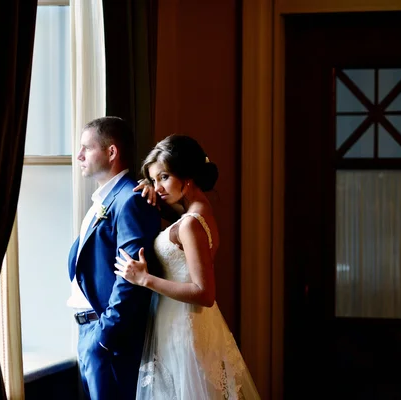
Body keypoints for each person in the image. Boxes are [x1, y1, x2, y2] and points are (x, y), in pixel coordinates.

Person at [115, 135, 261, 400]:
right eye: (153, 179)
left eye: (164, 177)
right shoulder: (198, 213)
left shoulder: (191, 223)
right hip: (180, 322)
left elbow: (204, 293)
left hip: (184, 326)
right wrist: (154, 193)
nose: (157, 186)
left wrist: (144, 279)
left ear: (187, 175)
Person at [67, 116, 161, 399]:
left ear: (111, 152)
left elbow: (130, 275)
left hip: (108, 338)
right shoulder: (104, 200)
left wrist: (104, 338)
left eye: (87, 148)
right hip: (90, 331)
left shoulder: (130, 199)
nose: (79, 155)